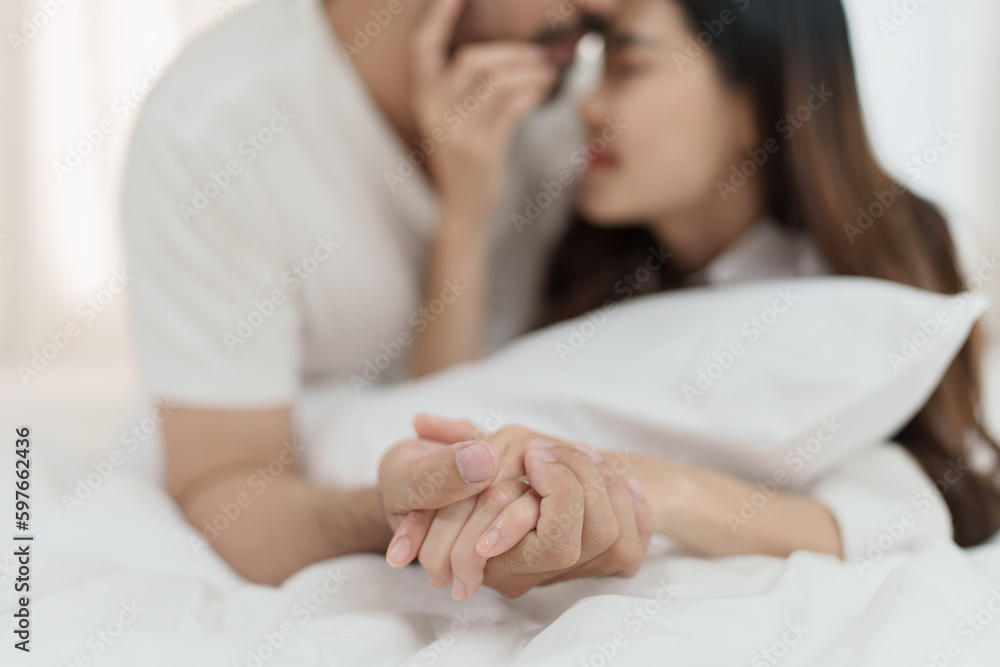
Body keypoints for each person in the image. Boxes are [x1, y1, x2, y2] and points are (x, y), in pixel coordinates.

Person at [383, 0, 1000, 600]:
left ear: (753, 106)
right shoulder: (585, 251)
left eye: (629, 66)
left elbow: (907, 501)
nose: (590, 106)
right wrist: (463, 219)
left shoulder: (881, 275)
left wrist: (649, 485)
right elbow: (443, 409)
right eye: (599, 67)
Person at [123, 0, 652, 587]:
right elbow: (226, 494)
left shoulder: (578, 91)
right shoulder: (211, 132)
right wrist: (399, 514)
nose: (608, 7)